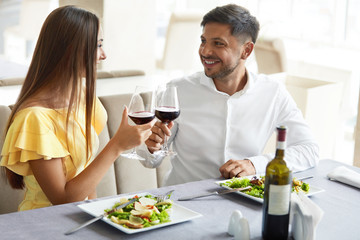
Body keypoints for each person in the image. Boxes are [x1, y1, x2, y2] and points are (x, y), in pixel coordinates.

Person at [139, 4, 319, 186]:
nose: (205, 51)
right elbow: (150, 160)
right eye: (203, 41)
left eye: (218, 43)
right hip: (183, 201)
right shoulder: (178, 90)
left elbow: (309, 150)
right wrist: (152, 147)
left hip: (242, 202)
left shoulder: (273, 93)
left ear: (246, 50)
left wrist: (254, 165)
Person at [0, 6, 154, 211]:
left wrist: (98, 214)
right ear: (72, 49)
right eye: (98, 45)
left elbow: (85, 172)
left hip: (80, 218)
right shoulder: (34, 118)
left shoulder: (81, 96)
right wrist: (116, 145)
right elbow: (63, 200)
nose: (103, 55)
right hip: (43, 224)